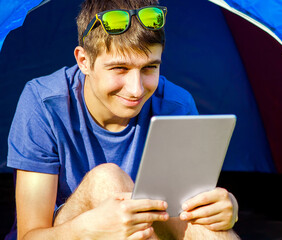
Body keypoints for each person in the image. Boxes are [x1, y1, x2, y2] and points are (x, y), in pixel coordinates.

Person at [6, 0, 239, 239]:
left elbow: (187, 211)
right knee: (106, 180)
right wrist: (88, 228)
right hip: (71, 232)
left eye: (149, 67)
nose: (136, 90)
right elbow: (29, 236)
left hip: (153, 227)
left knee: (207, 227)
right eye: (120, 68)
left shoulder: (176, 105)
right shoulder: (43, 103)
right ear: (84, 61)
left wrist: (223, 208)